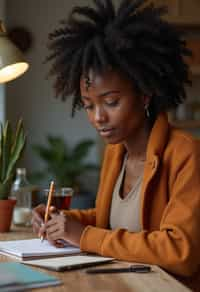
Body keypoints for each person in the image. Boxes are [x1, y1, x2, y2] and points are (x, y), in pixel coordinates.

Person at [32, 0, 200, 290]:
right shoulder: (115, 152)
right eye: (88, 105)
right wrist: (64, 220)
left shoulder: (185, 153)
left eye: (111, 102)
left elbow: (180, 250)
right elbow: (107, 219)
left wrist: (83, 236)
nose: (98, 117)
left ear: (145, 94)